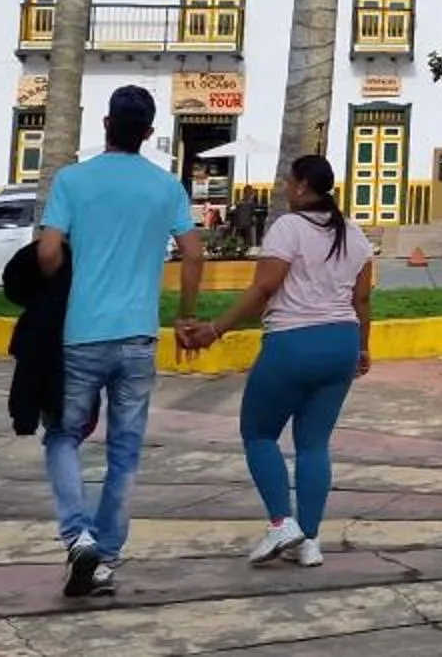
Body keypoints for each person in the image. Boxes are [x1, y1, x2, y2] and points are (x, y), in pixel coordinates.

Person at [37, 85, 205, 599]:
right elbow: (194, 252)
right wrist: (186, 314)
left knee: (62, 436)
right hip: (138, 335)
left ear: (106, 124)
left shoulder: (73, 180)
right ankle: (105, 555)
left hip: (80, 333)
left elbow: (47, 254)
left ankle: (78, 536)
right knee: (125, 450)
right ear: (149, 133)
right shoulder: (167, 187)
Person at [187, 154, 375, 570]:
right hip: (341, 343)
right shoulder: (354, 233)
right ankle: (310, 540)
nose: (286, 188)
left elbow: (264, 288)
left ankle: (280, 523)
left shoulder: (288, 228)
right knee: (314, 444)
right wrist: (363, 347)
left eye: (290, 181)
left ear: (303, 185)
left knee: (258, 433)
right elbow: (362, 299)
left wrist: (216, 329)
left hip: (293, 342)